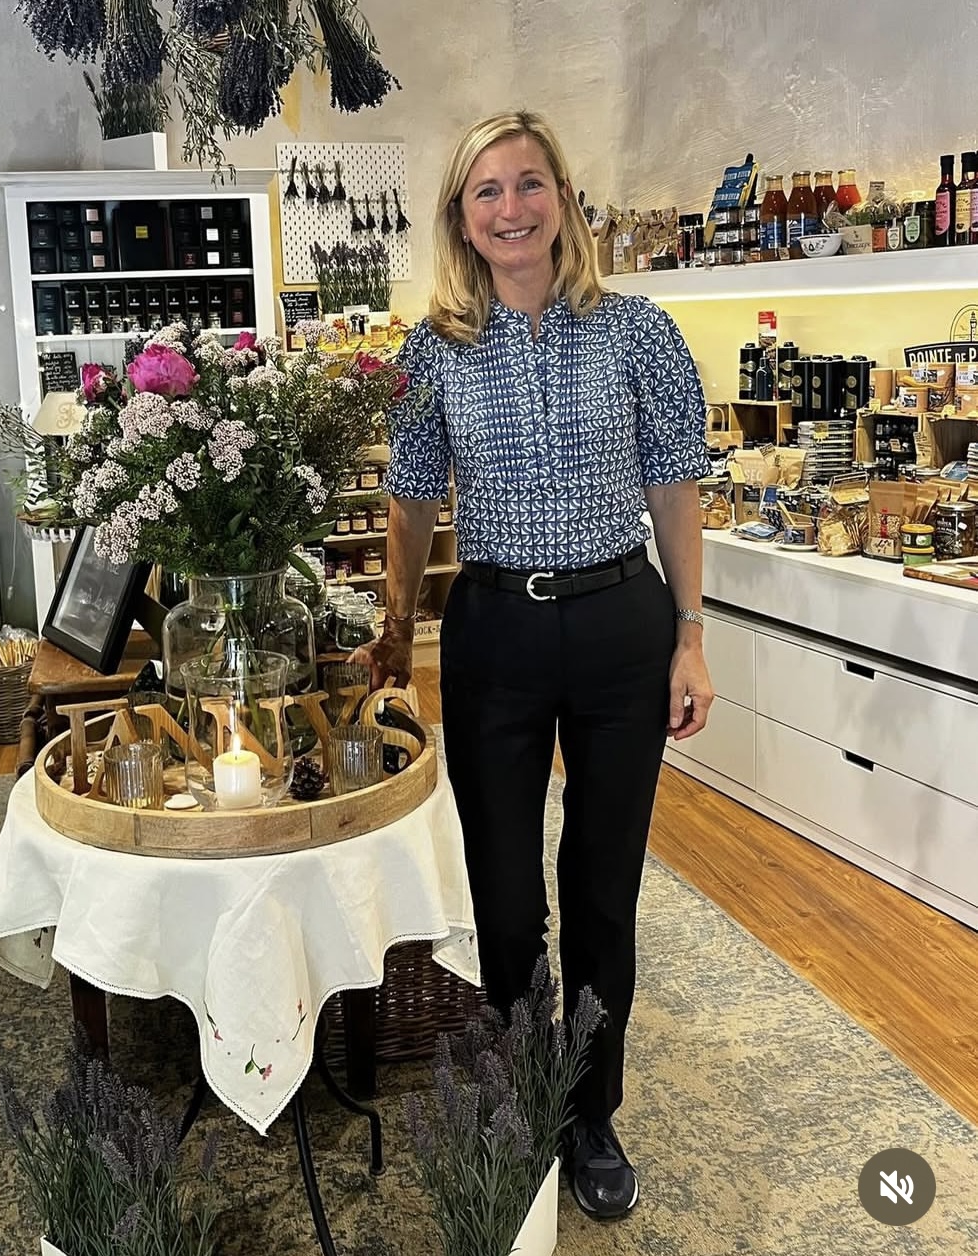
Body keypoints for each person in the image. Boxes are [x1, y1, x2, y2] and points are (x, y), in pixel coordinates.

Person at [353, 110, 714, 1221]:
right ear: (461, 219)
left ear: (564, 195)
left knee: (602, 890)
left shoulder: (639, 332)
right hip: (496, 632)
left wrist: (692, 633)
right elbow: (410, 501)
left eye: (527, 184)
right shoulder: (434, 347)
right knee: (506, 898)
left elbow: (674, 485)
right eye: (485, 193)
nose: (510, 209)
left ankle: (590, 1108)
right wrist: (392, 635)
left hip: (621, 626)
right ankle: (524, 1089)